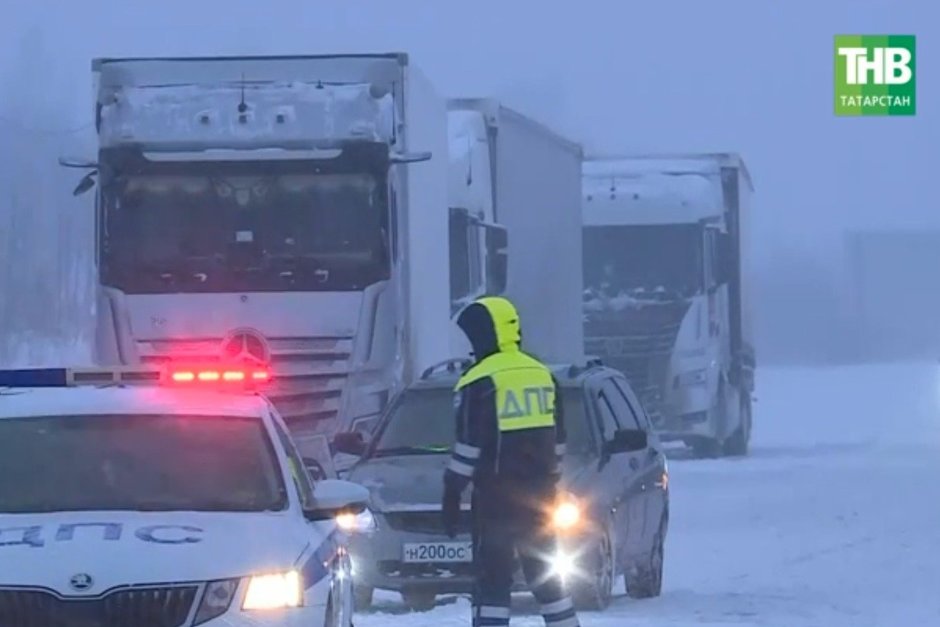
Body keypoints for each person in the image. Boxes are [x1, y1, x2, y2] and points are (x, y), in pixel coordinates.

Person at [441, 296, 580, 627]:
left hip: (495, 501)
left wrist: (451, 493)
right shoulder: (542, 374)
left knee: (492, 583)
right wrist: (550, 481)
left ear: (484, 335)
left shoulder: (478, 380)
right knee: (548, 581)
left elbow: (468, 448)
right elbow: (559, 440)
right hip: (540, 498)